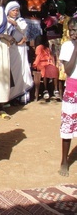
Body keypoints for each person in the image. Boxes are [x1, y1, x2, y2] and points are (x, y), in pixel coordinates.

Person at [58, 17, 77, 177]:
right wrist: (76, 48)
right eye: (71, 30)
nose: (73, 34)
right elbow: (69, 70)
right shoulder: (66, 46)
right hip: (72, 90)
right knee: (68, 126)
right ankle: (64, 161)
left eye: (76, 30)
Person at [32, 34, 59, 101]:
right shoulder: (39, 47)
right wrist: (35, 64)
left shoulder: (47, 48)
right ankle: (45, 89)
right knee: (45, 70)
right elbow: (38, 57)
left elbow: (50, 57)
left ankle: (56, 90)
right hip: (41, 64)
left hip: (47, 63)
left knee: (54, 69)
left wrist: (52, 64)